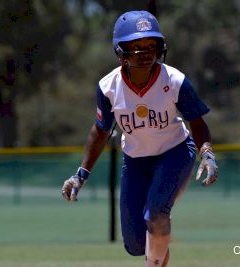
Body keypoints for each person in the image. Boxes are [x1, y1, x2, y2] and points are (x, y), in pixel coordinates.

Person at [61, 10, 218, 267]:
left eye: (150, 45)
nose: (145, 53)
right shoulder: (108, 87)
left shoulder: (174, 80)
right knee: (135, 245)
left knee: (156, 214)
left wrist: (207, 153)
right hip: (135, 161)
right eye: (136, 46)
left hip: (175, 152)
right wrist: (80, 174)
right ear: (120, 50)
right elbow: (100, 131)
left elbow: (197, 122)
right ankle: (158, 244)